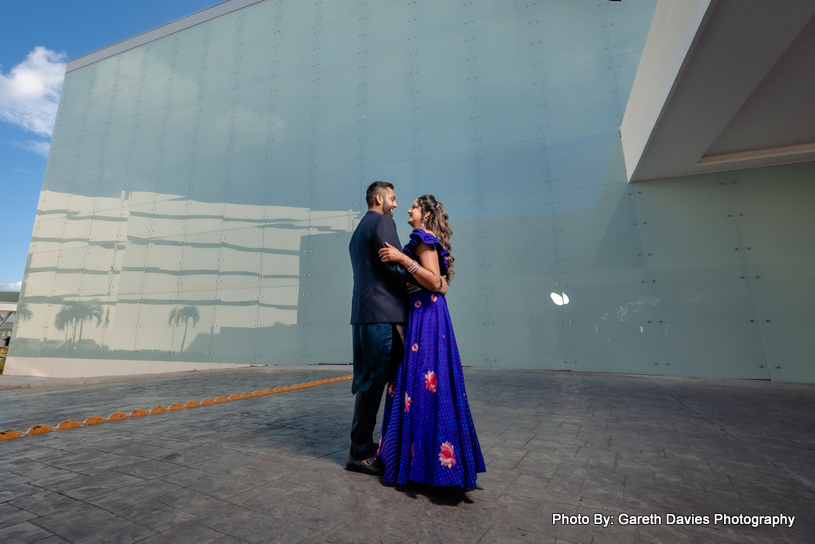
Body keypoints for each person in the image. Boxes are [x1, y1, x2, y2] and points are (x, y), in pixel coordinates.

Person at [376, 194, 485, 489]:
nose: (407, 209)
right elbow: (442, 284)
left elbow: (436, 282)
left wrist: (402, 259)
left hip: (426, 315)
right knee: (422, 385)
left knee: (422, 384)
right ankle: (422, 464)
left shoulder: (422, 238)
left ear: (424, 214)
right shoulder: (425, 238)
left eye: (413, 206)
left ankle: (425, 467)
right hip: (425, 313)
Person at [347, 182, 447, 475]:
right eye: (392, 198)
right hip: (384, 317)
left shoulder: (359, 230)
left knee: (369, 383)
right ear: (379, 198)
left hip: (365, 315)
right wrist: (427, 282)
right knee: (381, 384)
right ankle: (361, 452)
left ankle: (373, 446)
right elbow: (393, 267)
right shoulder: (382, 221)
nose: (396, 204)